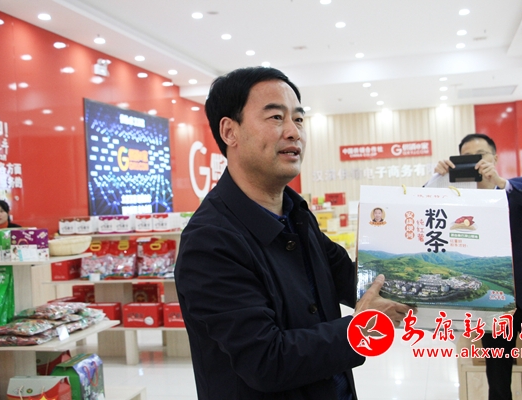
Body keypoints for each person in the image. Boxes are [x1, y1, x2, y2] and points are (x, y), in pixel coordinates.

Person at [174, 66, 412, 400]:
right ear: (230, 131)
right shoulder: (210, 241)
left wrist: (427, 266)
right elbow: (265, 361)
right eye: (276, 117)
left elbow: (352, 280)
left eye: (299, 119)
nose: (294, 132)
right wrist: (361, 328)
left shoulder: (296, 213)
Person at [433, 133, 522, 400]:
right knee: (497, 377)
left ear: (494, 157)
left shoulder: (516, 187)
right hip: (491, 301)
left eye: (481, 155)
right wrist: (437, 180)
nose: (476, 161)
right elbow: (428, 215)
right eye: (467, 157)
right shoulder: (460, 201)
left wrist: (501, 182)